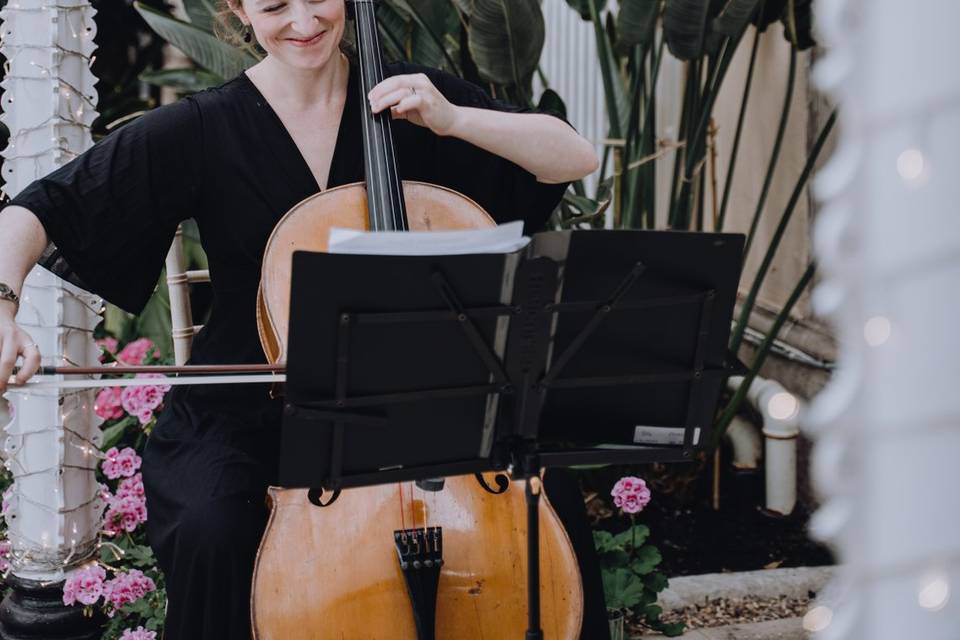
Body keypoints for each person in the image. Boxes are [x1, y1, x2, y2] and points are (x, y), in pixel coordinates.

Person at [0, 0, 605, 638]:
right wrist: (4, 306)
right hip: (253, 408)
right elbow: (34, 212)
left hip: (418, 400)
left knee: (543, 500)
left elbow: (572, 158)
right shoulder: (202, 128)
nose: (303, 21)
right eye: (274, 5)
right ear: (238, 9)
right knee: (214, 523)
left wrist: (454, 120)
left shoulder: (413, 100)